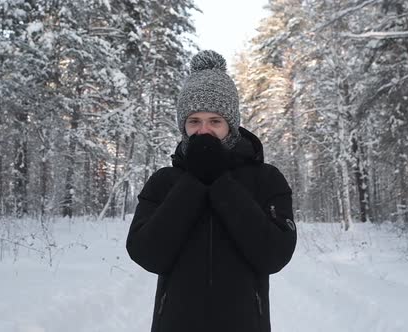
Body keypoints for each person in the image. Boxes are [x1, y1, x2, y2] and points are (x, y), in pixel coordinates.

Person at [126, 50, 297, 332]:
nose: (204, 130)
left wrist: (220, 182)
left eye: (215, 121)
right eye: (194, 121)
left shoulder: (267, 179)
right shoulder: (164, 181)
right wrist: (193, 182)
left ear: (231, 125)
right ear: (184, 126)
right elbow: (147, 254)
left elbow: (274, 255)